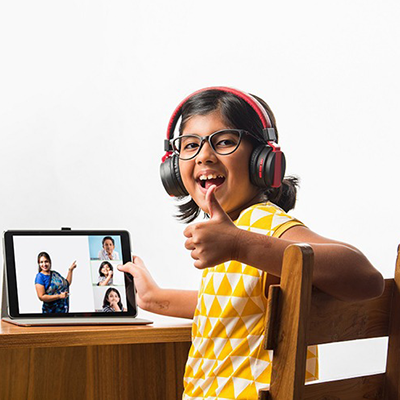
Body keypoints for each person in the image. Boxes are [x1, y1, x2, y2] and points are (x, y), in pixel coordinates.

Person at [118, 87, 384, 399]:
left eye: (225, 141)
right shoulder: (237, 228)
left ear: (262, 160)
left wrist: (240, 245)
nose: (204, 155)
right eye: (190, 145)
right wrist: (155, 299)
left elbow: (367, 279)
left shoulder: (261, 224)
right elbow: (236, 304)